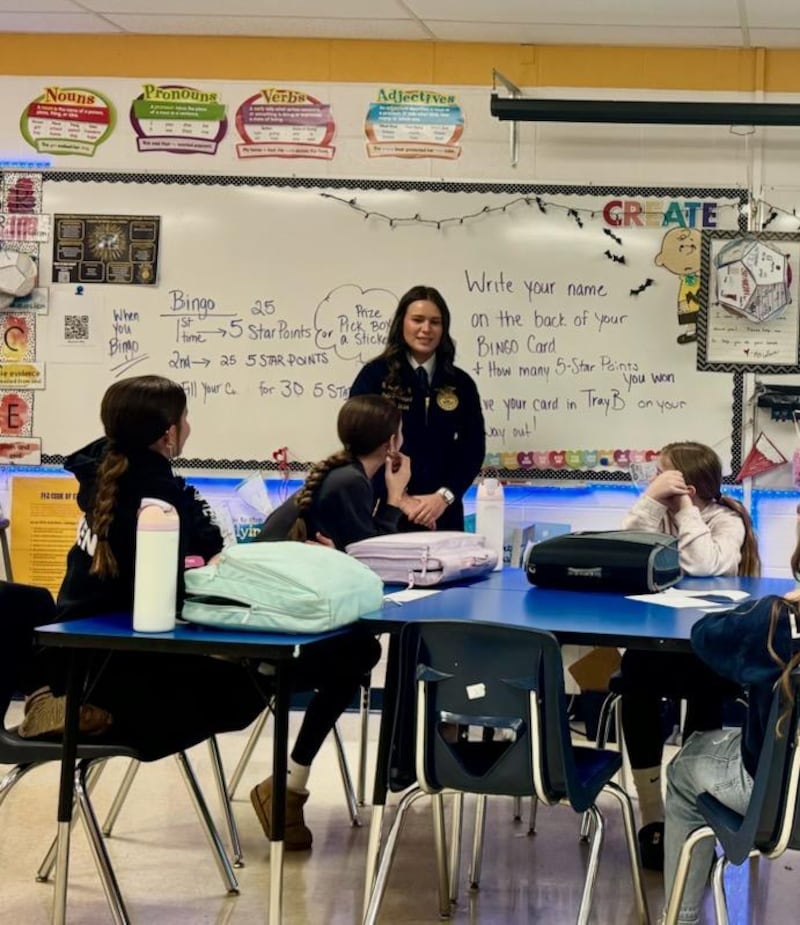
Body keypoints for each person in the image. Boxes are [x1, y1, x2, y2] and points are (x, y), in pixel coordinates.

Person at [18, 374, 269, 758]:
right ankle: (110, 718)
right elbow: (175, 590)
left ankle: (78, 707)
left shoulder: (106, 471)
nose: (189, 427)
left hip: (77, 654)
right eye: (185, 418)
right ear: (169, 434)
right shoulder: (154, 497)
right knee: (252, 687)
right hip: (121, 662)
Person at [617, 441, 760, 870]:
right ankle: (651, 815)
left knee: (705, 686)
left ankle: (696, 812)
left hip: (708, 649)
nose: (654, 479)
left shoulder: (727, 520)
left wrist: (684, 507)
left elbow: (705, 565)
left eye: (664, 474)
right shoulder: (655, 512)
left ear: (689, 486)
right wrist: (649, 502)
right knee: (633, 676)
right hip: (659, 642)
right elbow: (625, 548)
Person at [663, 586, 800, 925]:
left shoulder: (777, 619)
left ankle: (681, 918)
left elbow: (705, 636)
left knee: (685, 767)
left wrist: (766, 607)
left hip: (773, 798)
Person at [350, 284, 485, 532]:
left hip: (442, 513)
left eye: (435, 322)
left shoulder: (461, 384)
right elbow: (358, 446)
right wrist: (401, 498)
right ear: (402, 323)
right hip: (384, 509)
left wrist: (443, 496)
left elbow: (473, 450)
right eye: (418, 320)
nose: (426, 329)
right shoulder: (374, 376)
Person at [256, 394, 412, 550]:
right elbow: (372, 555)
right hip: (272, 570)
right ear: (391, 443)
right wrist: (395, 497)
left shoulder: (346, 473)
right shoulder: (352, 481)